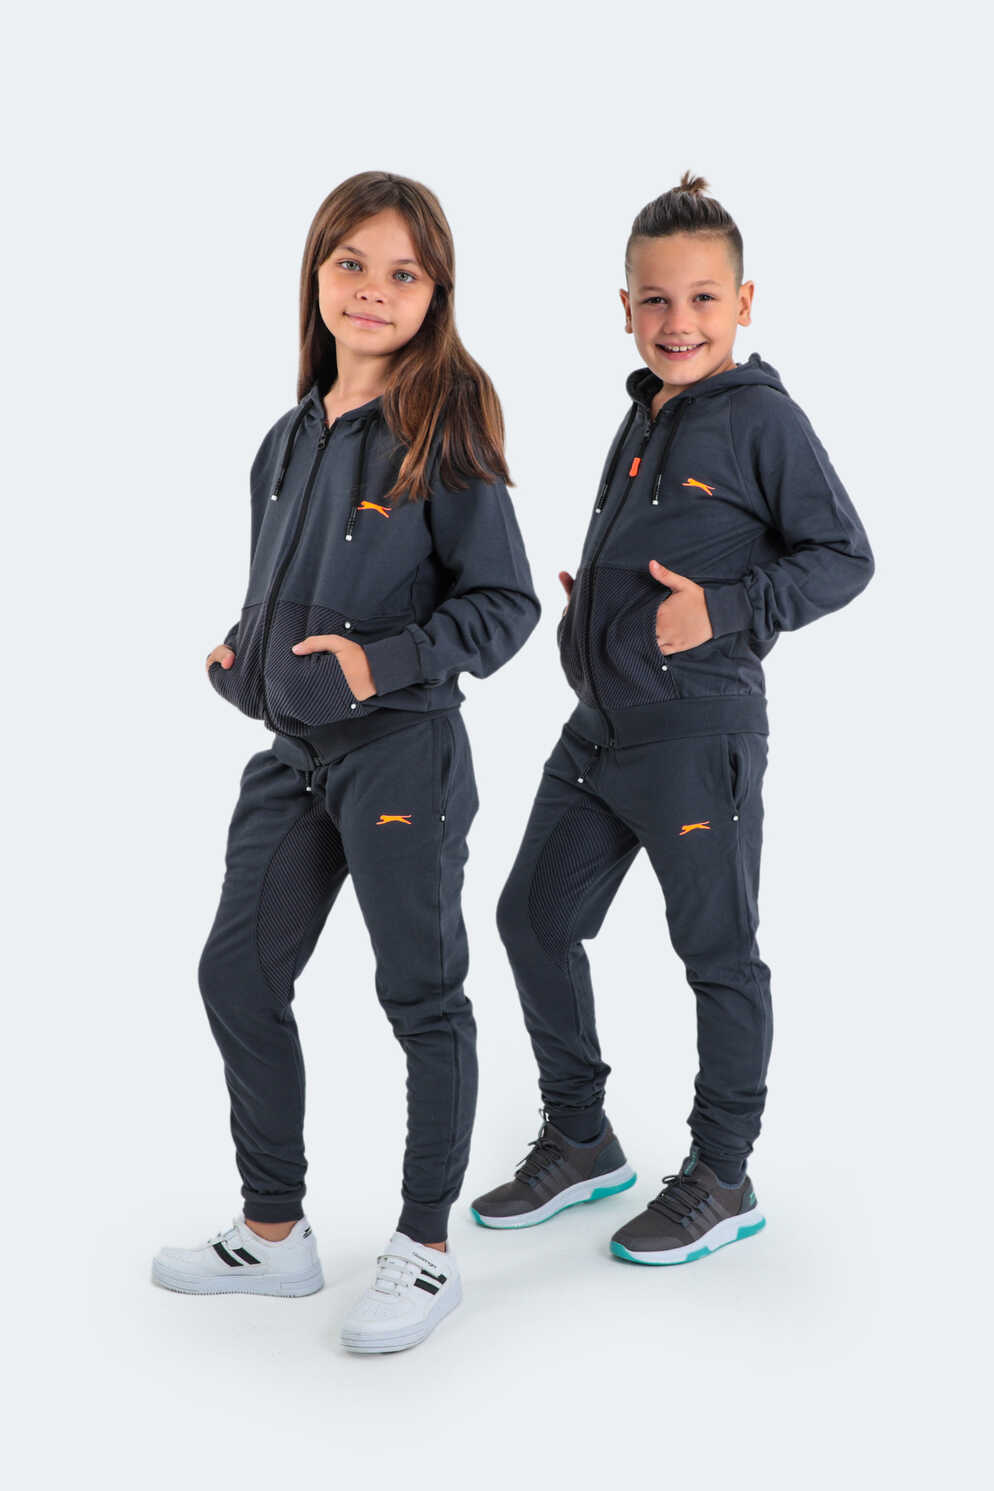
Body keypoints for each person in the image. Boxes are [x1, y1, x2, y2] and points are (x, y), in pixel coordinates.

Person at [151, 170, 540, 1348]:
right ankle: (274, 1234)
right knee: (236, 975)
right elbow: (285, 589)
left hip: (402, 757)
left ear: (436, 293)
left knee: (420, 997)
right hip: (294, 758)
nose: (372, 289)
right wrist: (249, 655)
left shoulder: (443, 432)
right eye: (350, 263)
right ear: (316, 274)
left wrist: (378, 666)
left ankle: (424, 1251)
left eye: (402, 272)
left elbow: (505, 606)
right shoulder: (287, 437)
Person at [471, 171, 875, 1265]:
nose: (677, 320)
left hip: (698, 736)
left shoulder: (764, 418)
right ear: (625, 307)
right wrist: (593, 611)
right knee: (531, 920)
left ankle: (722, 1176)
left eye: (701, 298)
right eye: (655, 299)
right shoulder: (643, 409)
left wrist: (724, 610)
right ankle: (581, 1137)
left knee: (717, 957)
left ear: (743, 303)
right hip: (598, 732)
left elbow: (844, 556)